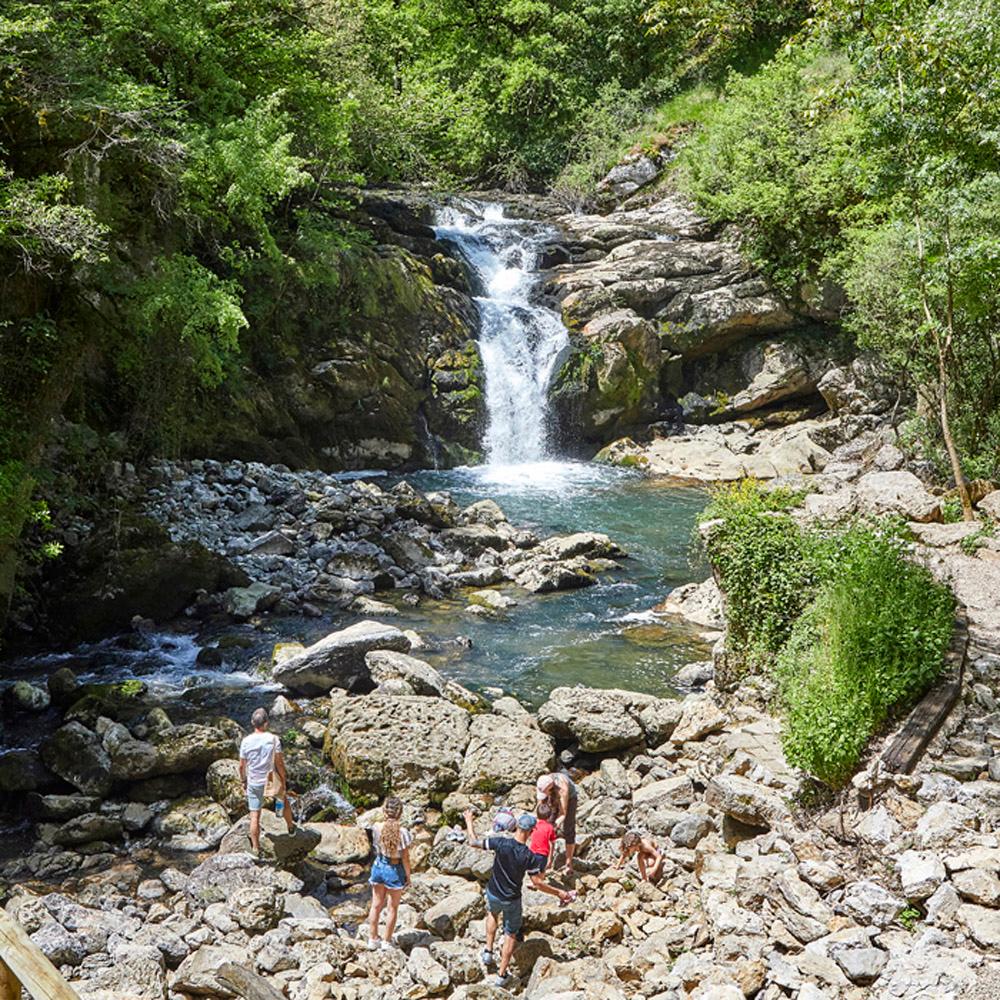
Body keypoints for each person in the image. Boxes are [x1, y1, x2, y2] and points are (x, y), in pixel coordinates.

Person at [464, 808, 572, 989]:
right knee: (510, 934)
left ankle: (488, 952)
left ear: (516, 828)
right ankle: (501, 975)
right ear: (531, 832)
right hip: (512, 898)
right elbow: (537, 883)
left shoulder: (500, 843)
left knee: (492, 914)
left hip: (493, 891)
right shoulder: (529, 856)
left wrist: (469, 821)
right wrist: (559, 893)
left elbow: (473, 842)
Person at [239, 707, 293, 856]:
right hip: (271, 780)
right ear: (266, 723)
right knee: (284, 800)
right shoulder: (273, 739)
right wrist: (283, 778)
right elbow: (279, 763)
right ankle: (290, 827)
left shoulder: (245, 741)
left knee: (255, 815)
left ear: (252, 723)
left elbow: (242, 765)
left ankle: (256, 848)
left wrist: (244, 780)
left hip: (254, 781)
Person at [365, 797, 412, 951]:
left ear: (384, 812)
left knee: (376, 905)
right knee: (392, 908)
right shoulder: (403, 833)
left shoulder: (377, 827)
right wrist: (408, 876)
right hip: (394, 868)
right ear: (400, 813)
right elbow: (405, 858)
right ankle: (386, 940)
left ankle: (372, 938)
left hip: (379, 865)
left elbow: (376, 846)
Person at [536, 771, 578, 872]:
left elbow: (563, 813)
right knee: (548, 828)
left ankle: (569, 863)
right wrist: (540, 822)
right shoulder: (542, 782)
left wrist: (555, 824)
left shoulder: (563, 790)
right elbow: (540, 806)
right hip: (551, 790)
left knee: (568, 829)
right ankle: (548, 862)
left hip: (570, 798)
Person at [528, 800, 557, 870]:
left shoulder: (534, 825)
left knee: (533, 871)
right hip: (543, 854)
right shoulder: (550, 828)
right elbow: (552, 843)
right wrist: (550, 859)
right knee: (541, 872)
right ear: (549, 816)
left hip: (532, 852)